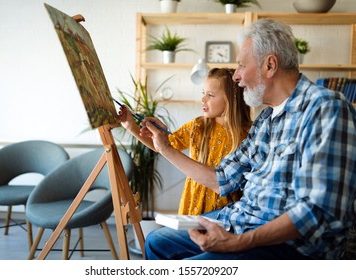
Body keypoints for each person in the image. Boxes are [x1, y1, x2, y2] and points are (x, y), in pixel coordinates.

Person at [139, 18, 356, 260]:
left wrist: (238, 243)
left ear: (270, 65)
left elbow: (316, 212)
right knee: (157, 241)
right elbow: (223, 179)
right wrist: (166, 148)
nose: (236, 77)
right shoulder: (265, 120)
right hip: (242, 221)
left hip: (289, 247)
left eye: (241, 65)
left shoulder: (326, 108)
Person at [118, 68, 252, 215]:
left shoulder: (249, 134)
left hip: (226, 214)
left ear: (231, 99)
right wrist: (131, 126)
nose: (203, 99)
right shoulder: (197, 126)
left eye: (210, 95)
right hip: (192, 205)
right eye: (203, 93)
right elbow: (163, 146)